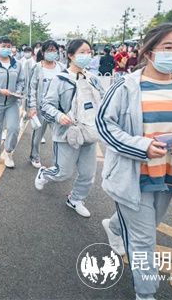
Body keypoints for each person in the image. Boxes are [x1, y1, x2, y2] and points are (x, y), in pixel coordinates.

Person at [96, 23, 172, 300]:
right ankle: (145, 292)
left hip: (168, 173)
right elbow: (104, 124)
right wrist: (142, 147)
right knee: (144, 239)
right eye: (168, 47)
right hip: (131, 174)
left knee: (150, 224)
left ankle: (114, 226)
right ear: (148, 52)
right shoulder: (126, 86)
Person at [34, 39, 104, 218]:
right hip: (67, 133)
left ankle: (76, 199)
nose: (87, 55)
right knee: (63, 173)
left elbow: (104, 102)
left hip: (89, 133)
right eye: (82, 52)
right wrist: (59, 116)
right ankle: (44, 173)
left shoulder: (93, 79)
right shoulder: (60, 79)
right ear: (71, 55)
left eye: (89, 52)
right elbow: (46, 105)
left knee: (88, 174)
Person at [0, 36, 26, 168]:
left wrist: (18, 91)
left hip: (12, 103)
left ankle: (8, 152)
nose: (6, 49)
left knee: (14, 128)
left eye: (9, 46)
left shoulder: (17, 64)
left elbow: (21, 81)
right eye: (3, 46)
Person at [27, 40, 64, 169]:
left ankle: (58, 159)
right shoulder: (37, 67)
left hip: (57, 109)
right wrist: (32, 107)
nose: (52, 52)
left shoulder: (61, 67)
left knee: (58, 136)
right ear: (43, 52)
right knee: (38, 135)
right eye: (49, 50)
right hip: (41, 108)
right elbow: (32, 88)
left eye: (54, 50)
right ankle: (34, 156)